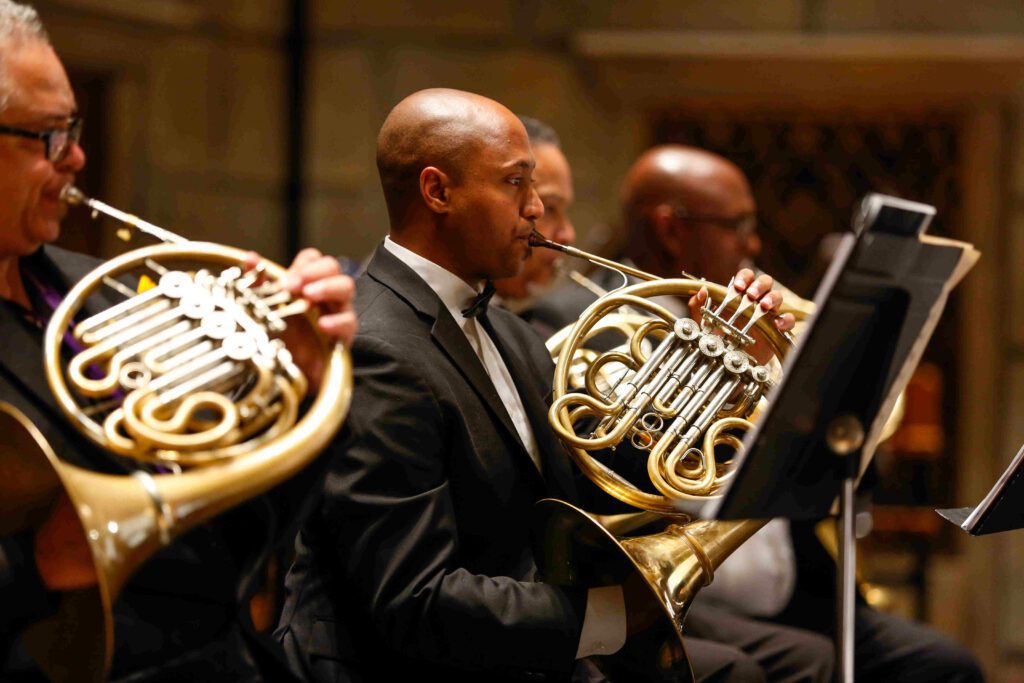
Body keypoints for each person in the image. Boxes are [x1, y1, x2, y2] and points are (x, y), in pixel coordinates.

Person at [274, 87, 802, 683]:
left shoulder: (507, 332)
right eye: (516, 184)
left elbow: (606, 482)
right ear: (437, 191)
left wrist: (729, 363)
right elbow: (412, 600)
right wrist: (609, 616)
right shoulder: (379, 349)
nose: (535, 211)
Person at [532, 143, 984, 682]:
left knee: (945, 666)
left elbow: (836, 464)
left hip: (796, 585)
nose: (754, 241)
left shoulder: (753, 316)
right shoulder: (579, 321)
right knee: (805, 665)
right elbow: (620, 472)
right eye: (737, 224)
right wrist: (714, 372)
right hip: (688, 591)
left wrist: (816, 378)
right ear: (670, 229)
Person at [0, 2, 357, 679]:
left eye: (72, 127)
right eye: (49, 135)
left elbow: (245, 525)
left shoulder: (99, 290)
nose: (76, 156)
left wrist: (305, 380)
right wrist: (35, 567)